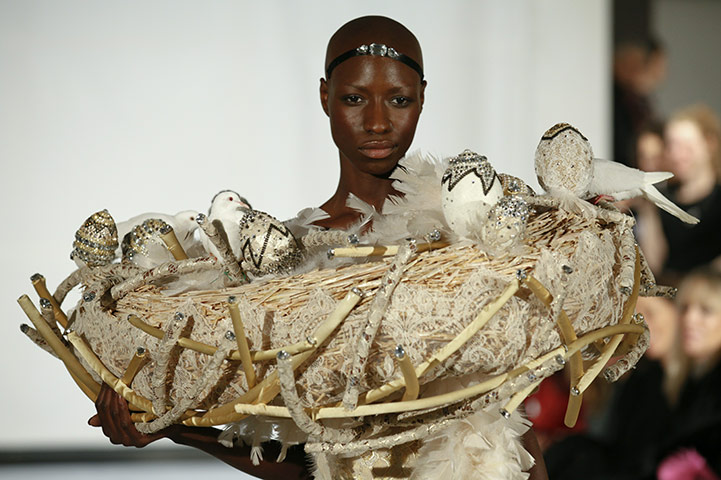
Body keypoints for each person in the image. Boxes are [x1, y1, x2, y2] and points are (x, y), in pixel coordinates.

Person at [89, 15, 549, 479]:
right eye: (353, 98)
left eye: (399, 99)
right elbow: (310, 458)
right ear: (325, 96)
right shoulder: (289, 259)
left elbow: (506, 416)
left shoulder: (466, 225)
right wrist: (171, 426)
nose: (376, 122)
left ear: (422, 98)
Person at [638, 104, 721, 284]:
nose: (677, 155)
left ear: (709, 144)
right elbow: (653, 266)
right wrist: (647, 210)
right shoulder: (660, 200)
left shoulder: (717, 200)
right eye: (672, 146)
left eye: (687, 147)